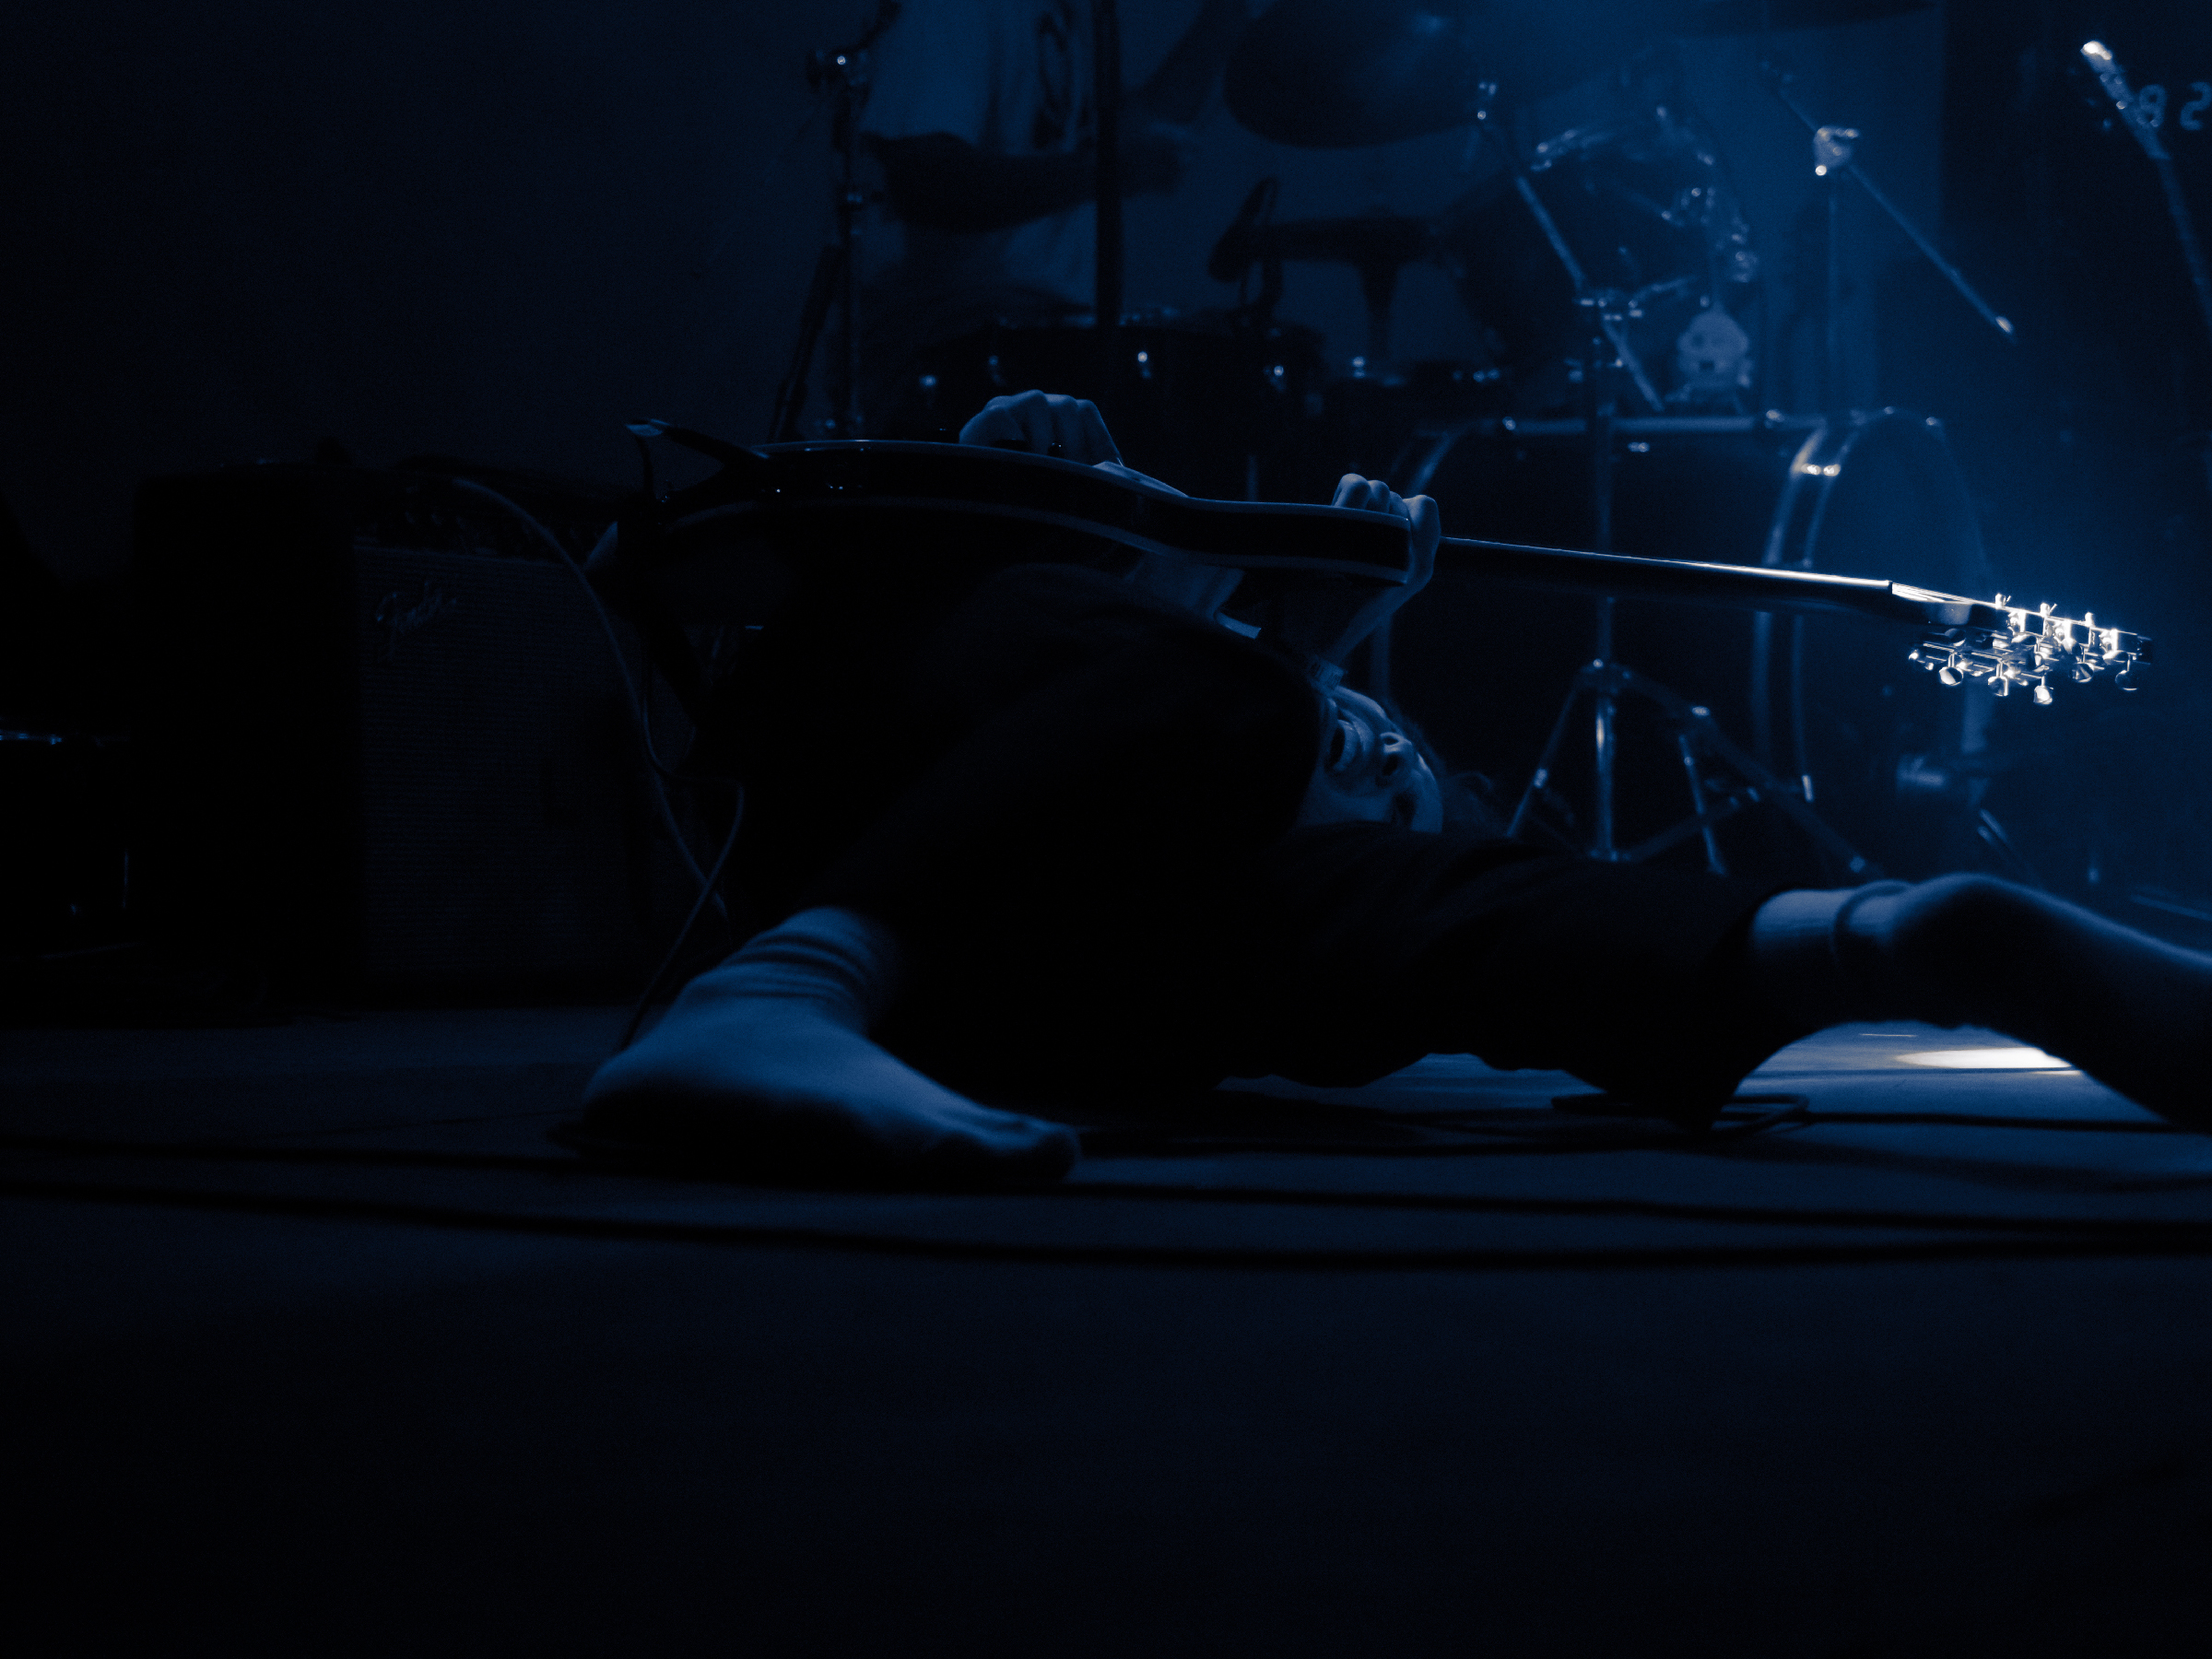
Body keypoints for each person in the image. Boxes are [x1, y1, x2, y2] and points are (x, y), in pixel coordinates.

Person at [579, 391, 2212, 1185]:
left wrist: (1283, 638)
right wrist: (1114, 549)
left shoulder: (1329, 880)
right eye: (1374, 735)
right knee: (1206, 681)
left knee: (1239, 721)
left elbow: (1944, 934)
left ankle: (775, 997)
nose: (1375, 743)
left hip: (1083, 981)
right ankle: (783, 989)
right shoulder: (1179, 677)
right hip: (906, 834)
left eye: (1397, 767)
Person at [856, 0, 1250, 413]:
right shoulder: (953, 10)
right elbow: (929, 181)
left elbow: (1108, 141)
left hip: (1029, 349)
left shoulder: (1059, 15)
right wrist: (1109, 171)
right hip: (954, 353)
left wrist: (1225, 15)